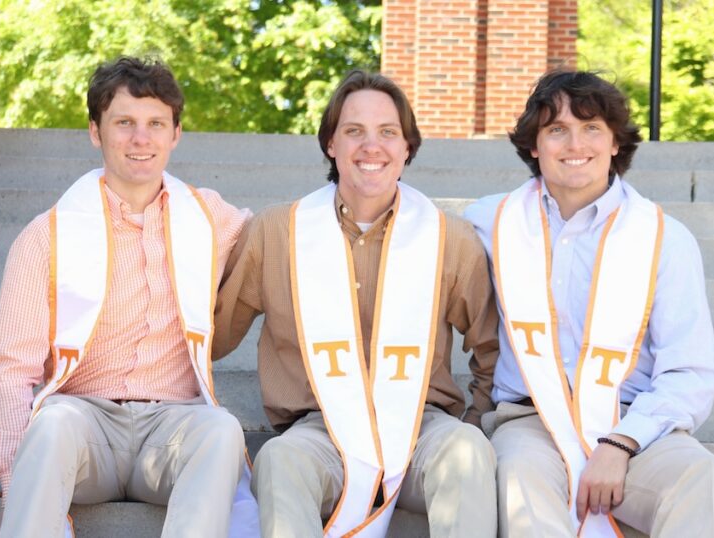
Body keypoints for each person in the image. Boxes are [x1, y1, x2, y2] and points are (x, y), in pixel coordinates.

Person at [213, 70, 499, 537]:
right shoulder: (277, 232)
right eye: (354, 131)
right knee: (279, 461)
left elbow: (491, 346)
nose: (372, 146)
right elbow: (214, 334)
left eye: (388, 132)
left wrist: (475, 415)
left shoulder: (449, 238)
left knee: (468, 450)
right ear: (330, 143)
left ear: (407, 148)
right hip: (319, 431)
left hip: (419, 430)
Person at [0, 56, 258, 538]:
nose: (140, 138)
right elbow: (9, 371)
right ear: (95, 131)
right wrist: (14, 477)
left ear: (176, 135)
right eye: (124, 122)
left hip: (172, 430)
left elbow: (279, 246)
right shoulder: (46, 238)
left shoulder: (211, 218)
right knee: (50, 424)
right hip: (85, 428)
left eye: (155, 123)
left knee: (222, 430)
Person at [464, 70, 714, 537]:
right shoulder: (488, 224)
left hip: (634, 422)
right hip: (530, 423)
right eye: (557, 129)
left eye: (591, 127)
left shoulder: (665, 240)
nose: (576, 143)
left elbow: (691, 372)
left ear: (616, 142)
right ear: (535, 145)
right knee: (519, 484)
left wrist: (621, 442)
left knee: (705, 478)